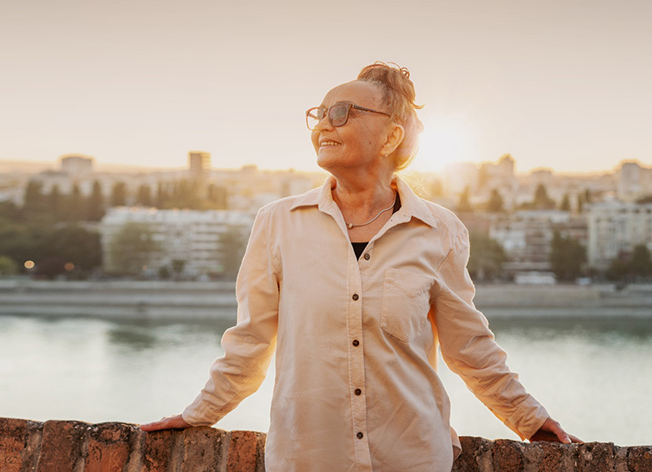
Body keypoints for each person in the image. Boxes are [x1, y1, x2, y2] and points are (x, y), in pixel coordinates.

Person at [141, 62, 580, 471]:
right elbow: (250, 341)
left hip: (413, 457)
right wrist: (197, 415)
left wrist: (531, 421)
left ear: (390, 137)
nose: (324, 125)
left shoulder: (440, 230)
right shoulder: (277, 223)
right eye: (319, 114)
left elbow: (470, 348)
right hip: (306, 458)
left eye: (342, 112)